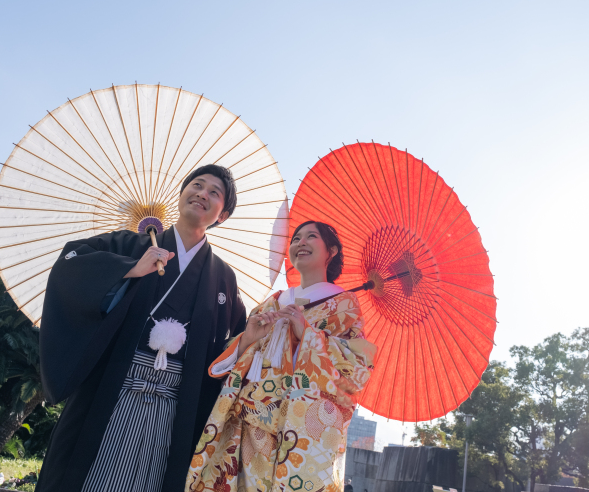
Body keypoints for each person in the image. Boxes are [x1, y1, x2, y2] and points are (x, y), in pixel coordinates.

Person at [36, 164, 247, 492]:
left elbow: (229, 345)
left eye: (214, 193)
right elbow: (70, 266)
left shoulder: (223, 277)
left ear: (223, 214)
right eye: (197, 185)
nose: (202, 193)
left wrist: (251, 339)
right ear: (181, 194)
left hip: (175, 405)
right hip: (112, 389)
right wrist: (130, 269)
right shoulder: (129, 246)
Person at [187, 221, 377, 492]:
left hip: (300, 428)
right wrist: (248, 339)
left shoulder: (344, 306)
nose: (301, 242)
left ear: (331, 251)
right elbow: (239, 356)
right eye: (296, 238)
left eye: (311, 237)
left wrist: (308, 334)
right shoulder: (272, 302)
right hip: (249, 419)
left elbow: (354, 371)